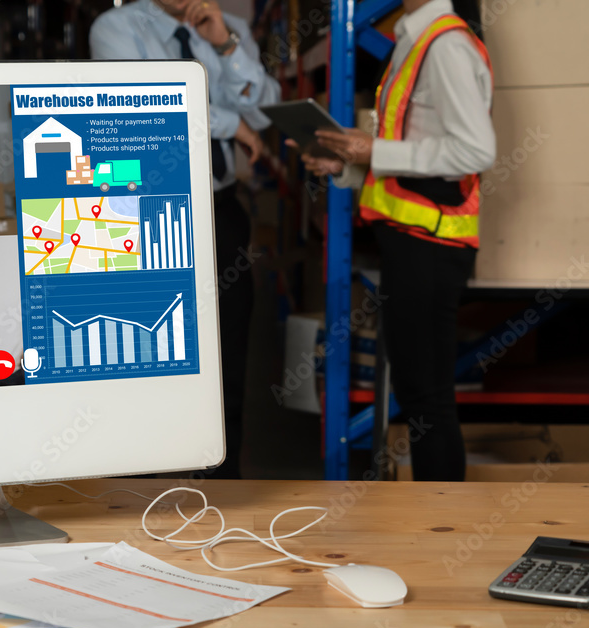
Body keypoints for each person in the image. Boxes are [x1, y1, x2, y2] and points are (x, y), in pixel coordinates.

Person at [297, 0, 494, 481]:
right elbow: (412, 162)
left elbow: (476, 149)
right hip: (411, 242)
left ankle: (443, 527)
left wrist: (372, 148)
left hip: (432, 244)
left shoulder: (444, 44)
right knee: (418, 393)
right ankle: (436, 523)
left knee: (428, 398)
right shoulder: (414, 39)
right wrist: (347, 166)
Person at [90, 0, 280, 479]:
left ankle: (223, 482)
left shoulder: (229, 29)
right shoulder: (115, 28)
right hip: (145, 210)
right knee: (147, 354)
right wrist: (227, 123)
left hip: (219, 210)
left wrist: (225, 45)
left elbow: (263, 108)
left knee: (227, 354)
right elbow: (144, 106)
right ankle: (143, 484)